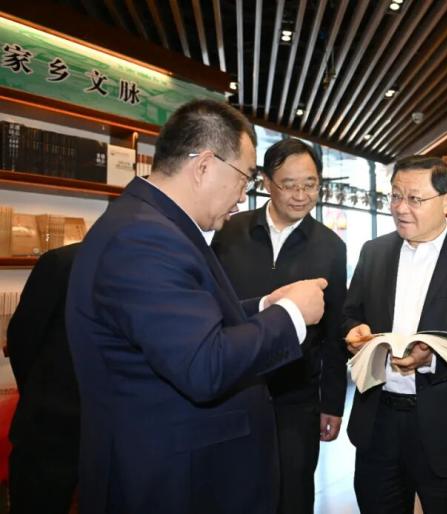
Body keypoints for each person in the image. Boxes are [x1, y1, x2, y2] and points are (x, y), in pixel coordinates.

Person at [65, 99, 327, 514]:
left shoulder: (152, 225)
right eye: (244, 177)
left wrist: (265, 304)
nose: (243, 195)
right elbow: (204, 365)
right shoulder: (145, 238)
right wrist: (291, 314)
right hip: (171, 481)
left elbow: (187, 324)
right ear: (205, 165)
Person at [344, 155, 447, 514]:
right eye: (395, 196)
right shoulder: (374, 252)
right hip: (378, 425)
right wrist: (353, 332)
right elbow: (350, 314)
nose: (400, 208)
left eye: (414, 199)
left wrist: (433, 355)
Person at [211, 138, 347, 514]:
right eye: (289, 185)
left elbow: (335, 332)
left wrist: (332, 403)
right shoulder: (229, 231)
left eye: (310, 184)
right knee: (233, 492)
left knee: (293, 494)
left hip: (297, 397)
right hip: (233, 390)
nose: (301, 196)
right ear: (267, 183)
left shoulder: (331, 247)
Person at [7, 243, 80, 514]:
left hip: (56, 420)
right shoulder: (61, 262)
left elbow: (21, 339)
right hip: (51, 425)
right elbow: (22, 338)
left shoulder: (62, 260)